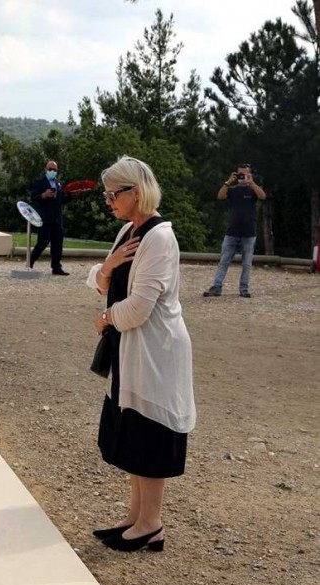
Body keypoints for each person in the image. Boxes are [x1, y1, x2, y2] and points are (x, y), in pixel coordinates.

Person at [85, 155, 196, 552]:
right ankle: (136, 516)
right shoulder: (130, 232)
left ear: (136, 192)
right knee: (131, 428)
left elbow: (138, 308)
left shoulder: (160, 238)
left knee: (149, 431)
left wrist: (104, 319)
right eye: (106, 195)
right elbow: (99, 281)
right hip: (130, 350)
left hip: (154, 352)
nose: (109, 201)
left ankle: (151, 523)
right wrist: (108, 268)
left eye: (114, 195)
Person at [203, 163, 267, 298]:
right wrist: (228, 182)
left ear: (250, 175)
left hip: (249, 233)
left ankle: (244, 289)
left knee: (247, 264)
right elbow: (220, 196)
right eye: (240, 174)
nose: (242, 177)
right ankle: (217, 286)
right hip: (231, 233)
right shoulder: (232, 190)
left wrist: (252, 183)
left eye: (245, 174)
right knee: (224, 261)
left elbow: (262, 197)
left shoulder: (253, 190)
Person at [29, 160, 69, 275]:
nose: (52, 171)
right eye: (50, 169)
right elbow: (34, 197)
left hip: (57, 218)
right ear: (45, 169)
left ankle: (56, 267)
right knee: (42, 242)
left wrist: (73, 195)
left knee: (57, 243)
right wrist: (44, 195)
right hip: (45, 217)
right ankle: (30, 262)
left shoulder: (58, 183)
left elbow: (62, 200)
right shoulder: (39, 182)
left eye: (54, 170)